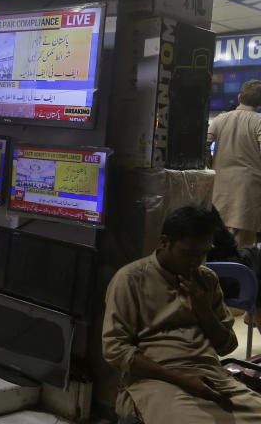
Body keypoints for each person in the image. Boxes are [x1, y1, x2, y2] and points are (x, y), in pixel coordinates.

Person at [102, 206, 261, 423]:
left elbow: (227, 346)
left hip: (210, 375)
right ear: (165, 242)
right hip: (157, 380)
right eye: (188, 253)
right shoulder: (131, 279)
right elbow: (115, 350)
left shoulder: (206, 279)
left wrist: (203, 309)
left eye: (204, 253)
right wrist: (183, 379)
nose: (196, 262)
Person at [207, 80, 261, 246]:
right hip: (248, 194)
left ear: (239, 98)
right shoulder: (259, 121)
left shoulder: (220, 119)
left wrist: (210, 162)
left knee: (216, 244)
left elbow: (203, 143)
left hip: (219, 192)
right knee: (242, 248)